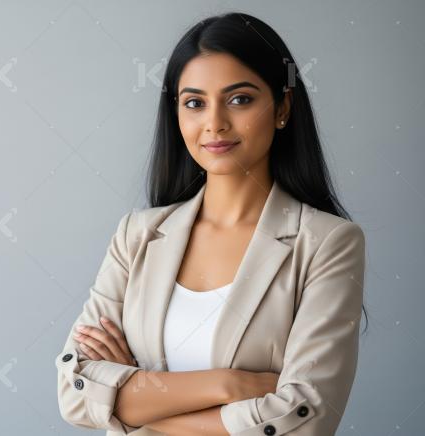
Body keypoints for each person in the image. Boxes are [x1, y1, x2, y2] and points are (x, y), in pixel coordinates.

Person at [55, 11, 367, 436]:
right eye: (194, 102)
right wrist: (229, 384)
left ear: (282, 107)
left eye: (240, 99)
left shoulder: (327, 243)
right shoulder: (137, 235)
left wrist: (134, 401)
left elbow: (303, 420)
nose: (214, 123)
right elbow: (74, 394)